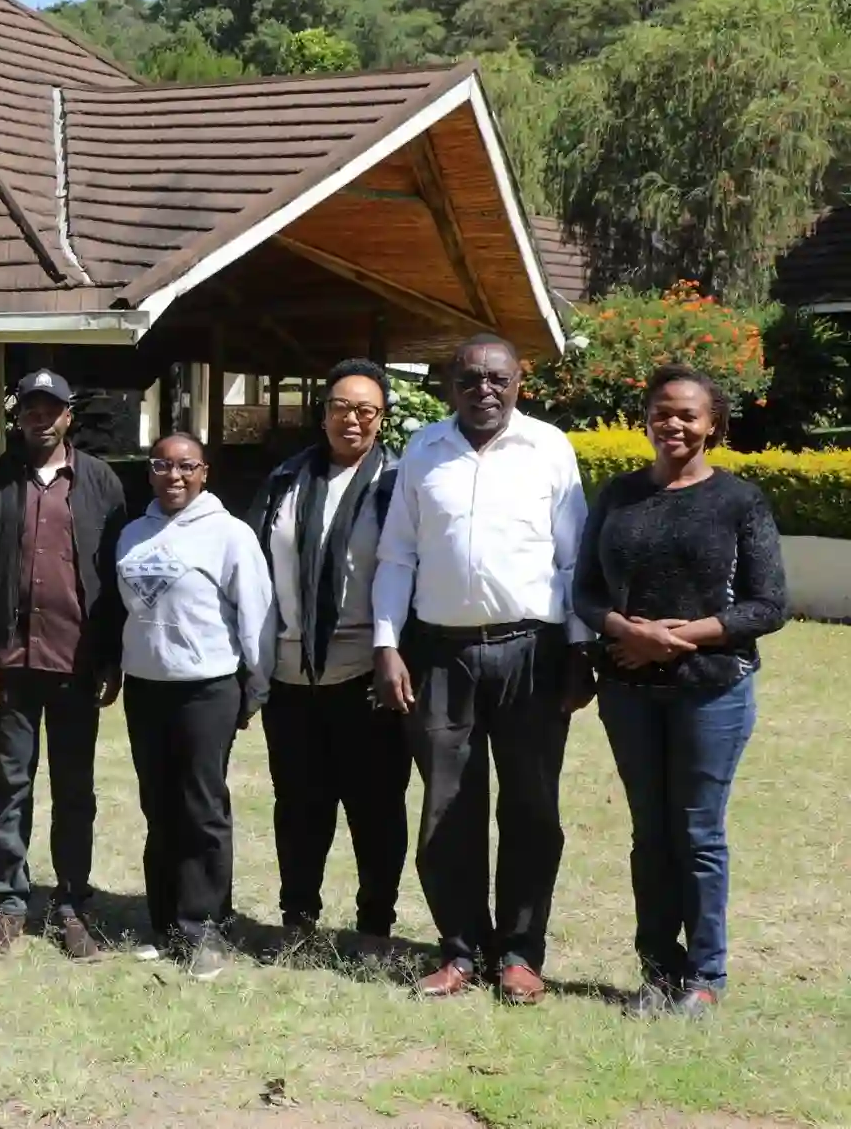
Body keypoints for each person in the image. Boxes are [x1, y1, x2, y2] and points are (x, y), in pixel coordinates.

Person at [371, 334, 593, 1005]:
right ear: (450, 385)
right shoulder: (423, 451)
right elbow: (397, 557)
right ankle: (460, 950)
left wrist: (580, 651)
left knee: (531, 808)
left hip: (532, 651)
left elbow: (573, 559)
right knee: (447, 810)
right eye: (469, 380)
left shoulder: (550, 449)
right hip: (440, 655)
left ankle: (521, 954)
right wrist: (387, 645)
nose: (484, 392)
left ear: (520, 382)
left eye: (497, 379)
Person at [573, 365, 786, 1018]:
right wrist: (622, 631)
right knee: (650, 834)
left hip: (710, 690)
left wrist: (681, 636)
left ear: (713, 425)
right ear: (646, 417)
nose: (673, 424)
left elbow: (769, 604)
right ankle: (658, 971)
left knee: (696, 832)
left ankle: (705, 977)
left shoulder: (738, 500)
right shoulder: (617, 496)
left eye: (688, 415)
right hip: (629, 692)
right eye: (662, 411)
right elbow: (583, 590)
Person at [0, 369, 128, 962]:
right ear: (20, 416)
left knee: (75, 789)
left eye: (50, 408)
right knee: (12, 786)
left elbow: (114, 577)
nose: (40, 417)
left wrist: (112, 655)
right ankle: (10, 903)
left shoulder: (100, 482)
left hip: (77, 663)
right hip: (10, 663)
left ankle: (72, 904)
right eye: (30, 408)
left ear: (67, 417)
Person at [244, 359, 410, 942]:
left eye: (366, 410)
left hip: (367, 676)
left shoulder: (399, 486)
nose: (353, 420)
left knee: (376, 810)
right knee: (298, 806)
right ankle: (299, 917)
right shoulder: (286, 481)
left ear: (382, 419)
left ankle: (374, 924)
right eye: (341, 407)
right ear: (323, 413)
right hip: (292, 676)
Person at [114, 433, 274, 979]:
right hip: (146, 686)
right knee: (158, 806)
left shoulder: (230, 535)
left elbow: (255, 613)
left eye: (186, 466)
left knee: (201, 808)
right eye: (162, 465)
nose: (173, 476)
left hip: (207, 687)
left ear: (205, 472)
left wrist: (256, 683)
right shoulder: (134, 532)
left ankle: (206, 926)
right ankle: (165, 923)